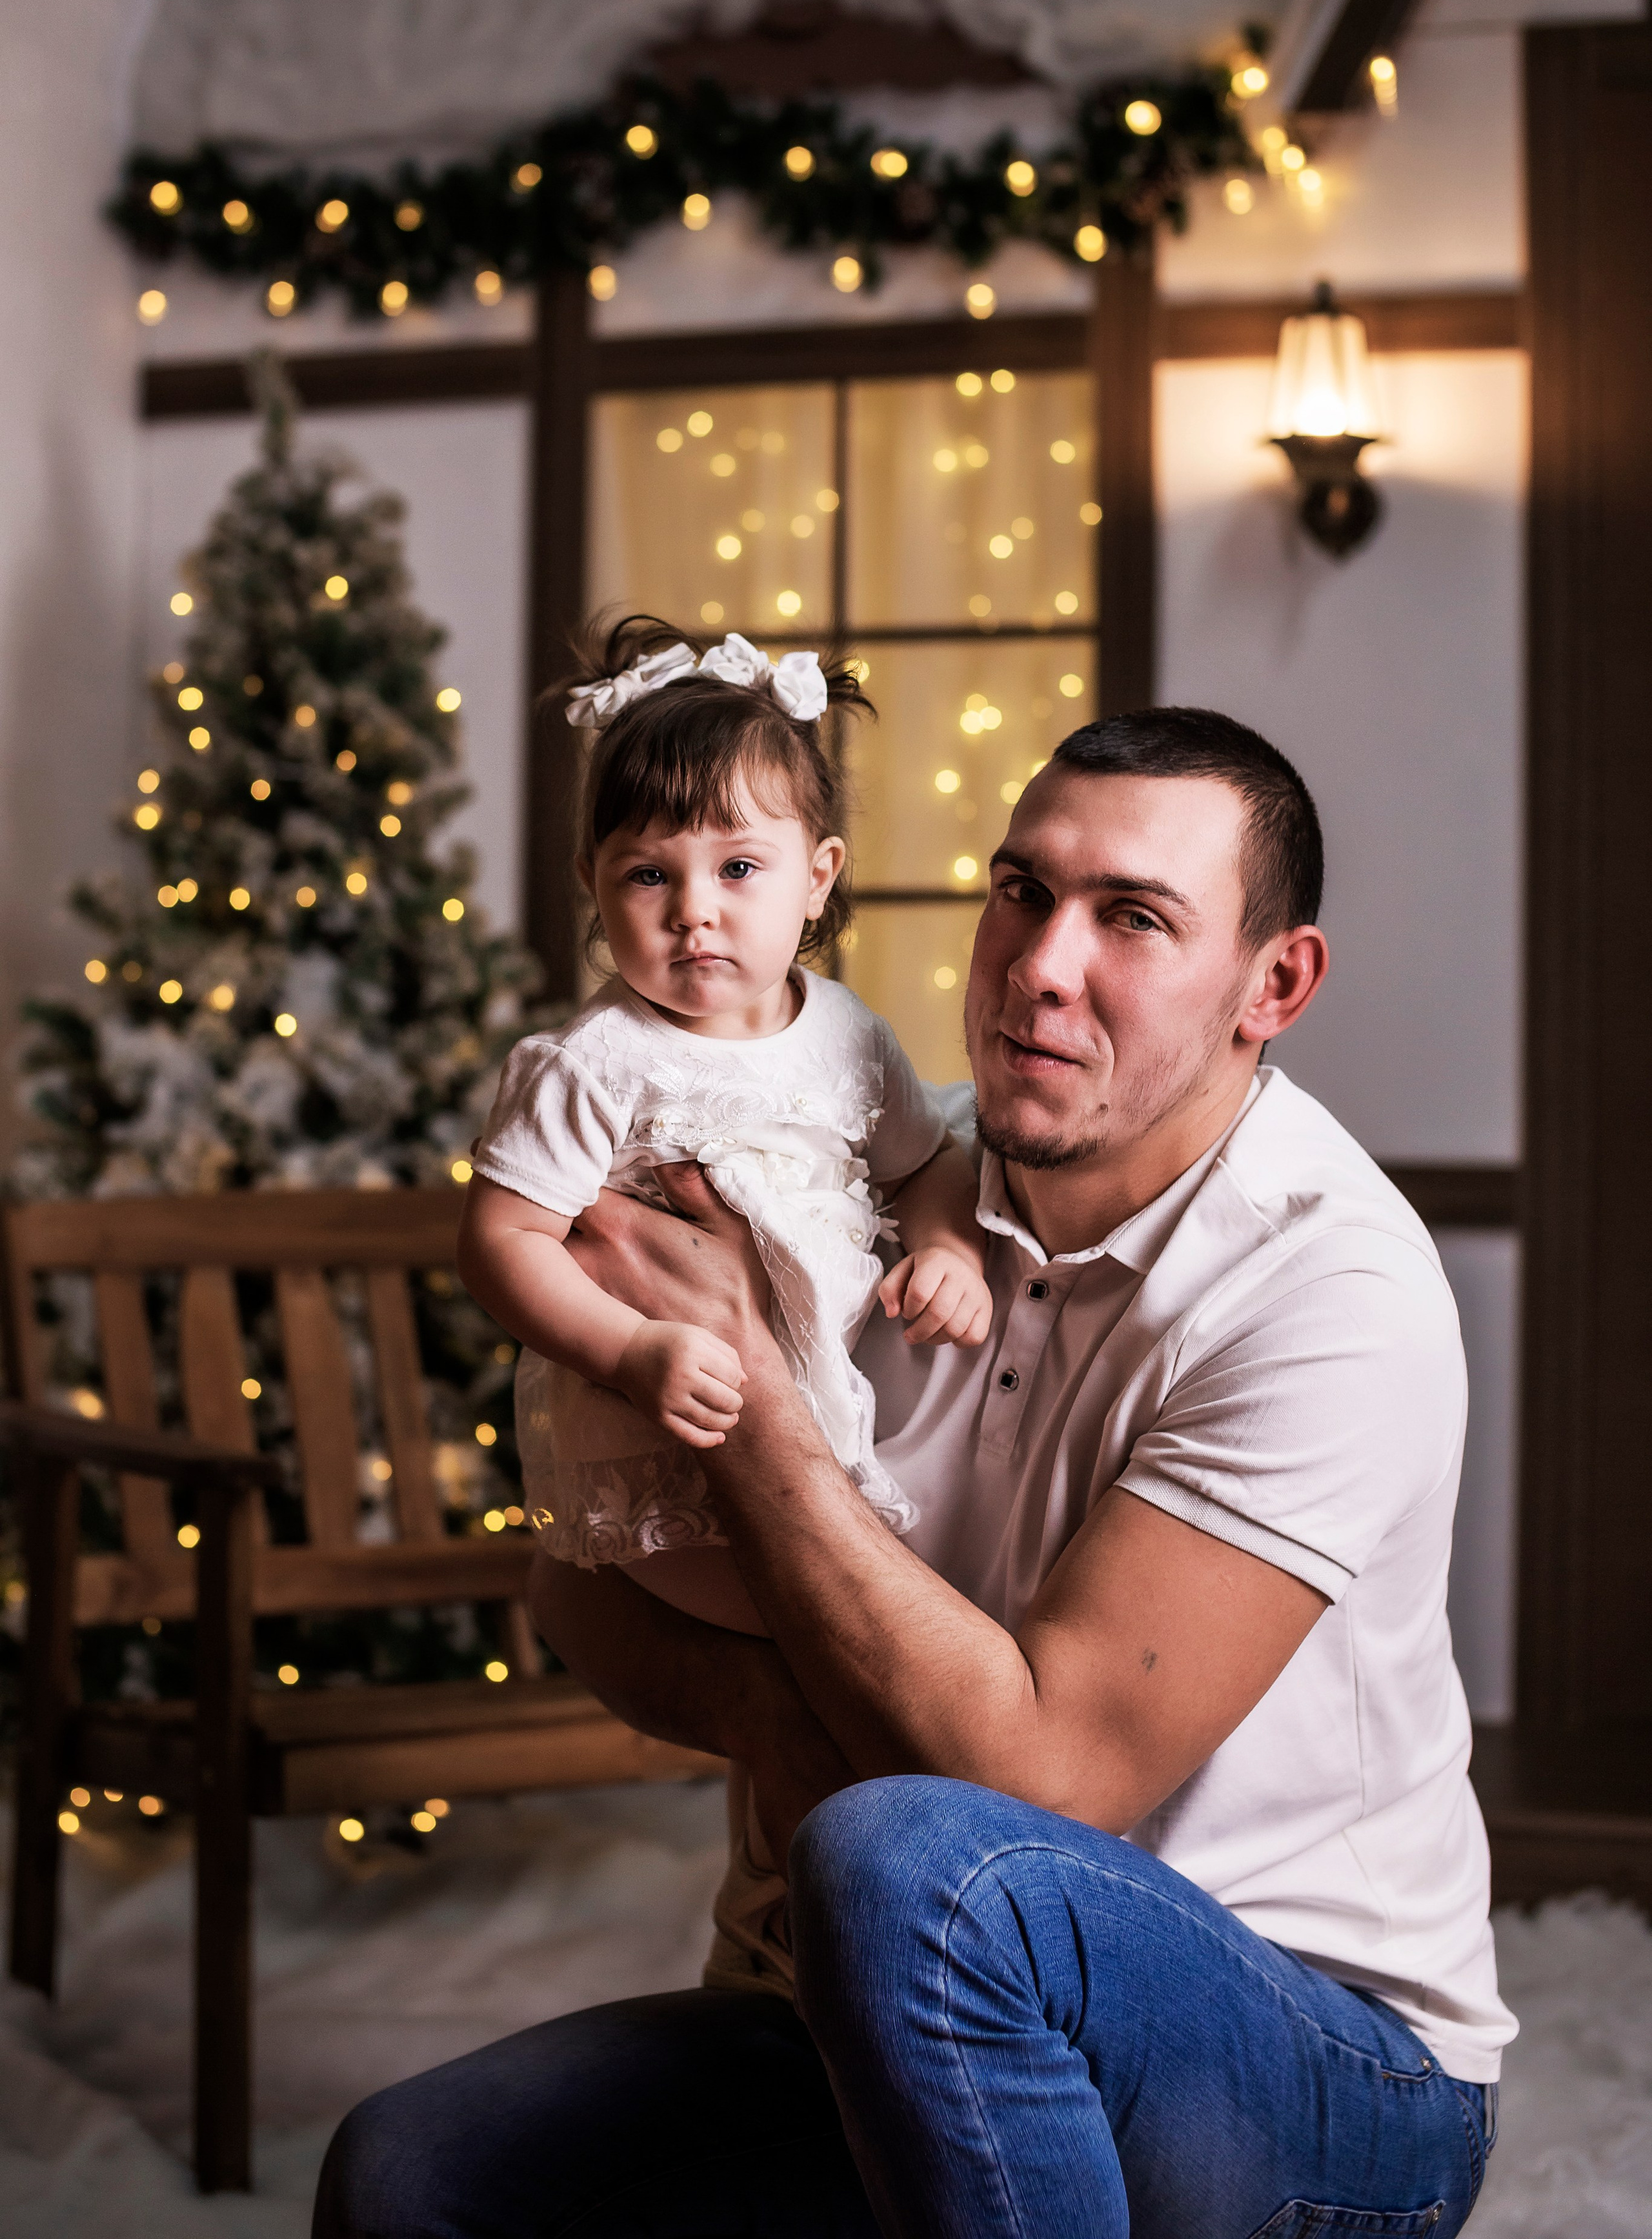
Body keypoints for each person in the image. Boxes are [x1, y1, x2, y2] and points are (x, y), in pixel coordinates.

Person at [316, 706, 1515, 2239]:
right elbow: (576, 1589)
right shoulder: (860, 1175)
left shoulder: (1328, 1287)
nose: (1040, 964)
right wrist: (776, 1713)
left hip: (1318, 2052)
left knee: (914, 1856)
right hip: (869, 2000)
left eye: (1131, 918)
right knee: (408, 2178)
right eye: (1021, 890)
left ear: (1269, 985)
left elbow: (1043, 1783)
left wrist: (753, 1400)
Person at [458, 616, 990, 1636]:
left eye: (738, 869)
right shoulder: (594, 1062)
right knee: (815, 1649)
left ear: (818, 875)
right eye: (650, 875)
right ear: (593, 882)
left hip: (831, 1417)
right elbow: (500, 1244)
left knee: (853, 1643)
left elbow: (928, 1164)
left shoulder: (850, 1034)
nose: (694, 910)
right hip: (668, 1441)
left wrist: (948, 1248)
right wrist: (629, 1350)